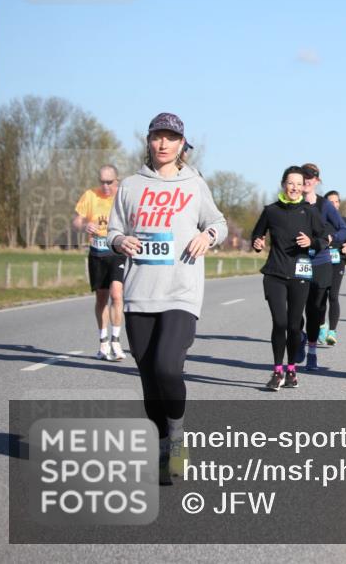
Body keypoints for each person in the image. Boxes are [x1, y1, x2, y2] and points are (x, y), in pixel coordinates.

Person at [107, 113, 227, 485]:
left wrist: (207, 235)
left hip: (180, 291)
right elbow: (113, 228)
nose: (163, 144)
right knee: (148, 379)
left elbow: (218, 223)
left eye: (170, 138)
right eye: (157, 137)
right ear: (148, 141)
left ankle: (177, 437)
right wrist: (118, 241)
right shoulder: (130, 186)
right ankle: (161, 443)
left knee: (166, 368)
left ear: (181, 145)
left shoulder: (194, 184)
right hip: (140, 292)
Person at [251, 166, 329, 391]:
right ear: (283, 184)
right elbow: (257, 234)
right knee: (280, 323)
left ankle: (292, 369)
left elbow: (324, 237)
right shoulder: (270, 210)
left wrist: (312, 243)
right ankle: (277, 372)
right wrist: (257, 243)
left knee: (295, 326)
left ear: (303, 187)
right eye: (290, 183)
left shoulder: (310, 211)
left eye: (299, 183)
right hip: (274, 273)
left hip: (300, 274)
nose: (294, 187)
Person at [73, 165, 126, 362]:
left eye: (109, 182)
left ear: (117, 181)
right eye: (102, 182)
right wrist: (85, 225)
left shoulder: (122, 196)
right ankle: (103, 342)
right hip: (97, 253)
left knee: (117, 294)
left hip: (117, 252)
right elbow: (76, 221)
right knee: (102, 299)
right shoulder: (90, 196)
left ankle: (116, 341)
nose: (105, 186)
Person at [299, 163, 346, 367]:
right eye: (303, 176)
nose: (307, 180)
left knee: (315, 310)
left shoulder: (324, 206)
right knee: (295, 310)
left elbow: (343, 229)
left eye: (311, 177)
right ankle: (299, 338)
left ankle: (311, 351)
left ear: (317, 181)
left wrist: (331, 238)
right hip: (297, 262)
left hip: (320, 262)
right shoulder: (292, 204)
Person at [316, 190, 346, 354]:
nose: (334, 204)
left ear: (339, 204)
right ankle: (321, 326)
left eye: (336, 201)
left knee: (333, 295)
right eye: (330, 202)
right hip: (321, 261)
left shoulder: (344, 221)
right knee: (320, 298)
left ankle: (332, 331)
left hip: (338, 261)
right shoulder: (319, 221)